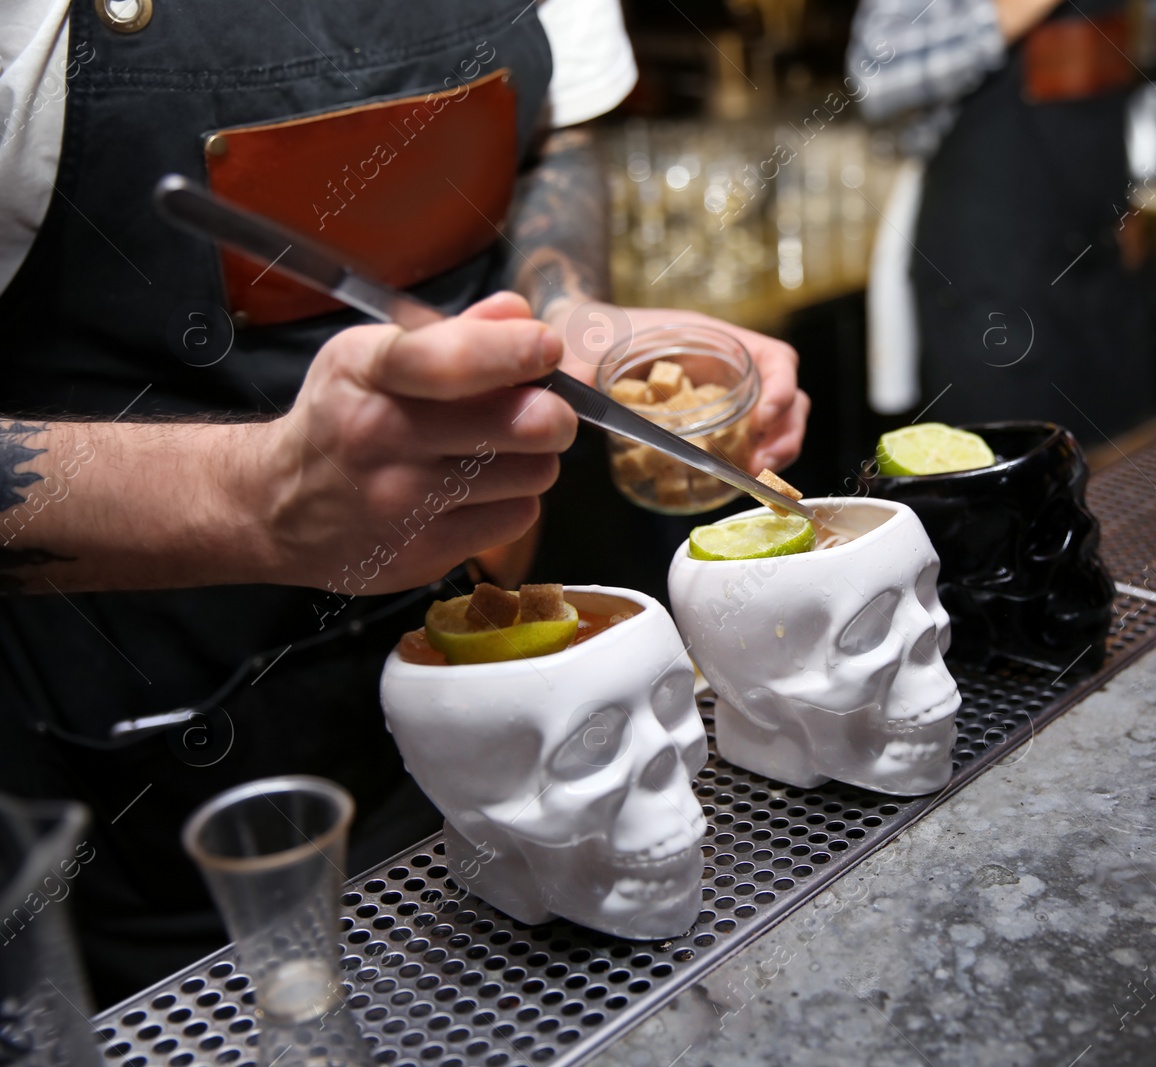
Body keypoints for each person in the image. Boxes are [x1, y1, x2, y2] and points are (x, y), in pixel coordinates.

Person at [0, 0, 806, 1004]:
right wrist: (256, 500)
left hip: (484, 745)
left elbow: (561, 136)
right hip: (152, 801)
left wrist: (568, 314)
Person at [847, 0, 1156, 441]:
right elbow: (875, 75)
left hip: (1104, 261)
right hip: (992, 271)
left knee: (1123, 468)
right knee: (1006, 476)